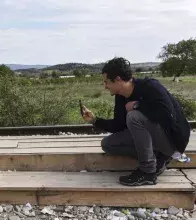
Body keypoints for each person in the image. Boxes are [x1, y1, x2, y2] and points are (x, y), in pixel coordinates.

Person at [81, 57, 191, 186]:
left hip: (173, 139)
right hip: (156, 137)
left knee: (134, 116)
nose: (105, 86)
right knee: (108, 144)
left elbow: (168, 116)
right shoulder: (121, 96)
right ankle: (158, 158)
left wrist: (138, 105)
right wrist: (94, 120)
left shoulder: (150, 86)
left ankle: (148, 172)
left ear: (118, 80)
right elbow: (118, 125)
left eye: (106, 82)